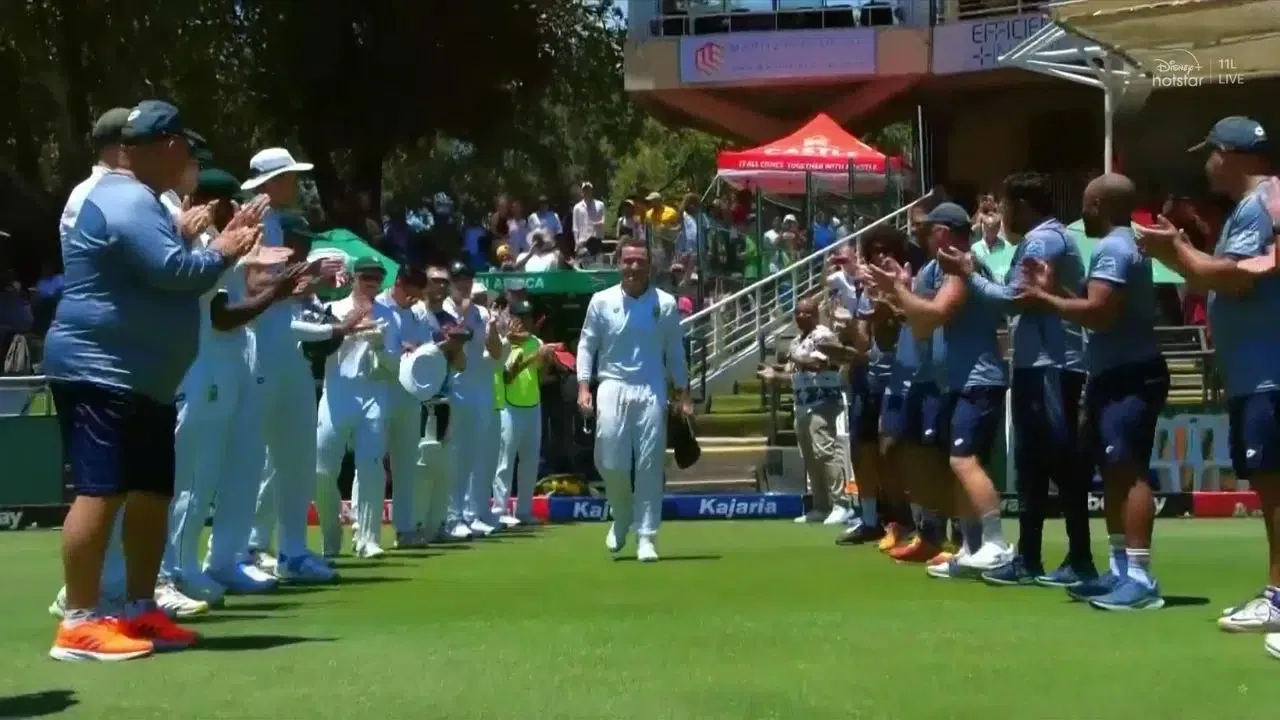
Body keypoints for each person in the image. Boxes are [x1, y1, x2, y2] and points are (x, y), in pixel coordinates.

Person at [44, 100, 264, 662]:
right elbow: (177, 272)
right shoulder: (123, 199)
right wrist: (223, 247)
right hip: (102, 369)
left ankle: (139, 610)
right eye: (187, 149)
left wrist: (212, 243)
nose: (190, 160)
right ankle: (79, 623)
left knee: (150, 493)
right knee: (102, 489)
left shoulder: (140, 201)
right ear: (167, 146)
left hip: (143, 377)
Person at [1135, 118, 1280, 649]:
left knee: (1275, 486)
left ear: (1229, 154)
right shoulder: (1261, 203)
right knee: (1269, 487)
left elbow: (1230, 278)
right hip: (1257, 372)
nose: (1206, 164)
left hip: (1269, 372)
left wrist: (1172, 248)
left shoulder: (1261, 200)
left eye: (1210, 153)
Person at [937, 172, 1096, 587]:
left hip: (1051, 365)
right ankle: (1031, 557)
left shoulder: (1043, 241)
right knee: (1033, 465)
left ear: (1023, 205)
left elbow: (1017, 299)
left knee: (1058, 462)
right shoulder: (1041, 240)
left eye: (1005, 205)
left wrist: (970, 274)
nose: (1001, 214)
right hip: (1036, 365)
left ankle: (1078, 559)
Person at [162, 171, 313, 605]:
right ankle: (175, 571)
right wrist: (278, 291)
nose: (241, 210)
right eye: (231, 202)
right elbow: (222, 314)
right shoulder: (200, 247)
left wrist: (275, 278)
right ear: (210, 203)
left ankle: (218, 561)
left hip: (234, 361)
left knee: (232, 470)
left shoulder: (223, 246)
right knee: (194, 476)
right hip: (204, 362)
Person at [1019, 173, 1168, 609]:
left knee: (1128, 467)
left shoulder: (1114, 248)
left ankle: (1139, 576)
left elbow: (1099, 313)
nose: (1081, 213)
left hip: (1130, 373)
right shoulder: (1121, 246)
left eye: (1085, 204)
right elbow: (1092, 307)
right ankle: (1120, 570)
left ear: (1099, 205)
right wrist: (1054, 291)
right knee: (1113, 470)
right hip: (1112, 373)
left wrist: (1044, 299)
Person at [872, 203, 1011, 574]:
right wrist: (896, 293)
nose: (921, 234)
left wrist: (898, 290)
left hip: (978, 378)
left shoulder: (960, 264)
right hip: (955, 380)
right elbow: (918, 323)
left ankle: (996, 542)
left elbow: (931, 316)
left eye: (929, 228)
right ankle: (971, 546)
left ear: (945, 232)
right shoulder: (937, 267)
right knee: (957, 465)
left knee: (963, 461)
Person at [577, 239, 692, 562]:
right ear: (619, 264)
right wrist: (584, 387)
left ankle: (646, 536)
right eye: (628, 261)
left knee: (649, 464)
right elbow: (587, 345)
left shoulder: (665, 303)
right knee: (610, 461)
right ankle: (621, 513)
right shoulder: (601, 301)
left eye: (640, 261)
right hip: (611, 385)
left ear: (649, 266)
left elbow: (674, 351)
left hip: (651, 386)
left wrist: (683, 392)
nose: (634, 267)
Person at [237, 146, 319, 577]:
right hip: (257, 345)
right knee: (253, 453)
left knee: (297, 449)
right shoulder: (248, 220)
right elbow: (251, 284)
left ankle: (293, 552)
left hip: (283, 341)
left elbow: (276, 287)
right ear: (270, 182)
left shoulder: (272, 221)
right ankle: (238, 551)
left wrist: (307, 278)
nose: (296, 184)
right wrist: (298, 278)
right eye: (289, 176)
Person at [313, 257, 398, 559]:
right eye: (366, 276)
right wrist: (348, 330)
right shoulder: (333, 310)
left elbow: (395, 367)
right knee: (321, 470)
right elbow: (319, 351)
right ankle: (331, 535)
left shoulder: (390, 315)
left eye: (376, 277)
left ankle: (368, 538)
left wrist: (378, 345)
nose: (371, 282)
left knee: (372, 468)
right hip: (337, 393)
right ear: (352, 277)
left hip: (374, 394)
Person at [832, 227, 908, 544]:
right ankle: (869, 518)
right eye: (874, 251)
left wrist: (889, 312)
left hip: (903, 377)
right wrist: (849, 328)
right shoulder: (866, 290)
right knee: (861, 449)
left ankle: (904, 520)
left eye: (885, 249)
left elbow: (905, 330)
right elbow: (864, 344)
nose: (879, 256)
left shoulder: (905, 284)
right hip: (870, 377)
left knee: (891, 452)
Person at [757, 298, 846, 525]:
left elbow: (818, 365)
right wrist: (773, 369)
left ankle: (841, 504)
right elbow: (791, 368)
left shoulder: (823, 335)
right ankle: (821, 506)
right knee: (810, 457)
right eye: (797, 313)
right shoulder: (797, 341)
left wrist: (787, 365)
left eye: (806, 313)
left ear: (816, 314)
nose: (801, 317)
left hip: (823, 402)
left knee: (825, 453)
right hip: (803, 404)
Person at [442, 264, 509, 539]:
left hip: (480, 390)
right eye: (459, 280)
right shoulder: (444, 310)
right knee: (455, 456)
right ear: (451, 283)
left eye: (468, 279)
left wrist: (492, 326)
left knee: (476, 455)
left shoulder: (482, 314)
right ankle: (452, 516)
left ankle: (471, 514)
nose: (464, 285)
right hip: (455, 388)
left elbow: (494, 353)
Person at [376, 266, 432, 548]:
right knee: (373, 463)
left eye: (417, 294)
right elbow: (380, 350)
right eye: (411, 292)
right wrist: (401, 351)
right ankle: (368, 531)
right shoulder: (379, 307)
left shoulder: (418, 312)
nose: (414, 298)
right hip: (381, 392)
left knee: (406, 466)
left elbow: (427, 347)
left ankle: (406, 528)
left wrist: (420, 350)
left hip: (409, 395)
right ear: (399, 283)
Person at [413, 265, 469, 541]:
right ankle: (417, 525)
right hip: (417, 398)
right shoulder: (414, 314)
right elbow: (411, 353)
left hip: (444, 395)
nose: (440, 287)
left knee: (444, 467)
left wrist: (456, 344)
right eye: (434, 281)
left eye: (444, 283)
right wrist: (443, 345)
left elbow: (461, 364)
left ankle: (437, 526)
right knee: (421, 465)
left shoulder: (450, 319)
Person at [572, 182, 606, 254]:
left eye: (588, 190)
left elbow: (603, 221)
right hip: (582, 241)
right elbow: (575, 227)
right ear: (582, 192)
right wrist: (576, 242)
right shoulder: (577, 207)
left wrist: (597, 224)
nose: (587, 192)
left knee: (596, 263)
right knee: (583, 263)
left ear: (592, 191)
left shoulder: (600, 205)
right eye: (585, 190)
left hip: (596, 239)